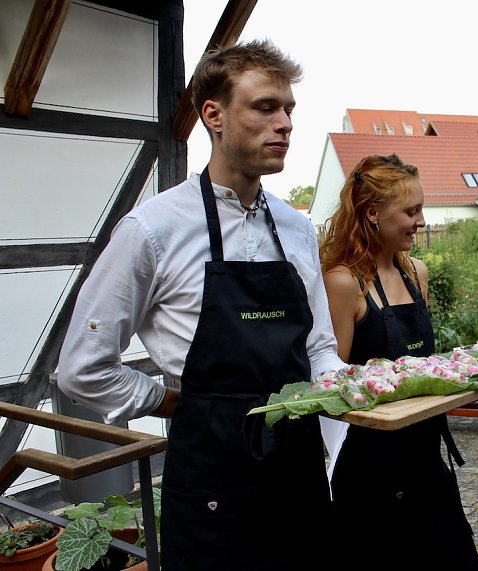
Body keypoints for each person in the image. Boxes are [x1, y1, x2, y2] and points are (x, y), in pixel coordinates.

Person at [57, 40, 345, 570]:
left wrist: (366, 392)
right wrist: (175, 402)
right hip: (213, 483)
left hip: (299, 474)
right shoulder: (152, 230)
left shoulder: (297, 228)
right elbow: (83, 369)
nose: (284, 124)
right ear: (213, 115)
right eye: (265, 107)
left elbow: (320, 348)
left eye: (288, 110)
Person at [318, 154, 478, 571]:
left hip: (425, 453)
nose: (421, 221)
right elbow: (333, 384)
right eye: (411, 211)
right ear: (373, 212)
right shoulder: (343, 282)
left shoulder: (416, 273)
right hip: (371, 463)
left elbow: (423, 365)